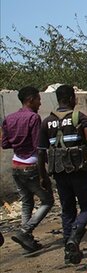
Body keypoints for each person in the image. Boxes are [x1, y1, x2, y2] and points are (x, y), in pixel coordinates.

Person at [38, 85, 87, 264]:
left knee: (67, 210)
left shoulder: (47, 121)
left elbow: (41, 152)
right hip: (79, 170)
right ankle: (75, 238)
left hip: (59, 172)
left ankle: (68, 252)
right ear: (72, 98)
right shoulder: (79, 117)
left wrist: (43, 176)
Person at [2, 86, 53, 252]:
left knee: (26, 203)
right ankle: (25, 231)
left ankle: (27, 240)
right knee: (47, 201)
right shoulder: (33, 118)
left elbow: (5, 144)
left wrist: (18, 142)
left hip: (16, 164)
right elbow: (39, 147)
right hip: (30, 165)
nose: (40, 103)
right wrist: (43, 174)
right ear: (30, 99)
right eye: (38, 99)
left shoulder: (9, 118)